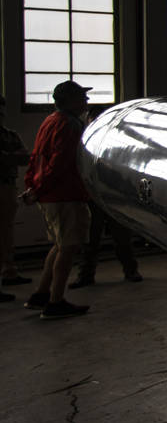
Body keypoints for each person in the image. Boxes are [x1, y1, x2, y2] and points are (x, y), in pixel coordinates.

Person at [21, 80, 93, 319]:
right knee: (68, 247)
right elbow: (59, 164)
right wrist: (38, 188)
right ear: (70, 100)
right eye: (82, 97)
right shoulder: (70, 125)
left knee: (59, 245)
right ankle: (55, 301)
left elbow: (37, 157)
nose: (86, 101)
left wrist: (33, 186)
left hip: (50, 195)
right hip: (65, 195)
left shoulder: (50, 120)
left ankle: (41, 294)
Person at [0, 94, 32, 302]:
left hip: (7, 186)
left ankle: (9, 271)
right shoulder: (9, 137)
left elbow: (25, 157)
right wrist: (10, 156)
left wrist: (6, 156)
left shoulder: (9, 134)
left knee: (6, 231)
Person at [69, 201, 141, 288]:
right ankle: (86, 274)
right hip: (95, 200)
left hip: (112, 199)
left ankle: (131, 270)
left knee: (122, 238)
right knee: (91, 240)